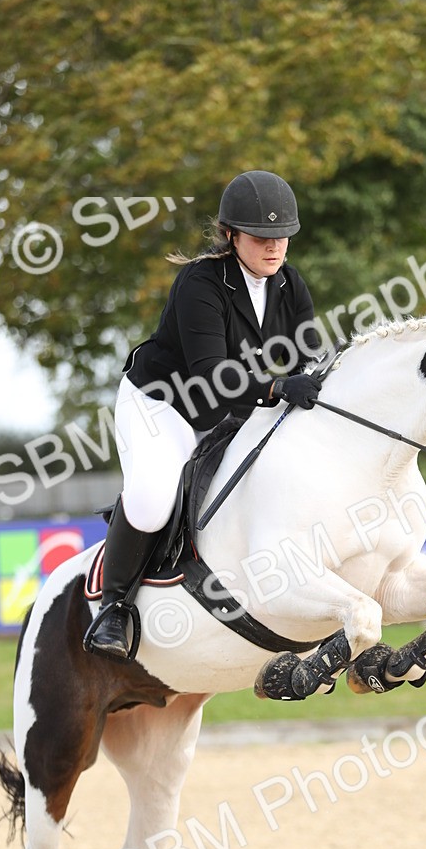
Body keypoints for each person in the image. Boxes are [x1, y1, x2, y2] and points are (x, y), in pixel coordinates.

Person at [84, 170, 322, 661]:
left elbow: (310, 359)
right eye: (260, 238)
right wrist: (279, 387)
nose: (274, 248)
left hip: (229, 409)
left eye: (282, 238)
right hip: (162, 403)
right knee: (153, 500)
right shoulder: (200, 281)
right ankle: (114, 609)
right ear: (231, 235)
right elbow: (210, 372)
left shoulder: (290, 284)